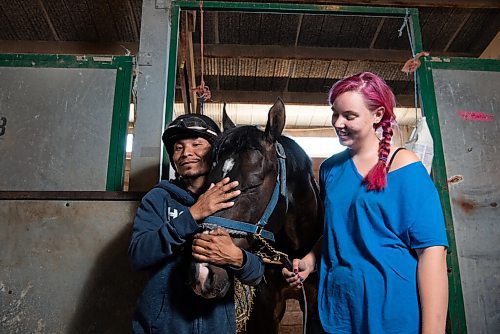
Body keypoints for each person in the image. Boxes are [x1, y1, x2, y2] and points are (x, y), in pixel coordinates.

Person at [283, 72, 449, 334]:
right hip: (338, 308)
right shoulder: (330, 169)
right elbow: (340, 229)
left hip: (391, 313)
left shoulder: (404, 166)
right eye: (334, 113)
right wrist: (312, 259)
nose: (338, 123)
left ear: (378, 116)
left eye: (349, 116)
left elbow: (431, 252)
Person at [129, 114, 265, 334]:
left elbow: (257, 273)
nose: (186, 153)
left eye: (197, 144)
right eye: (178, 148)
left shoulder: (232, 200)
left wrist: (237, 257)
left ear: (214, 152)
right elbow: (139, 255)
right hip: (162, 329)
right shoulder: (158, 199)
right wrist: (192, 215)